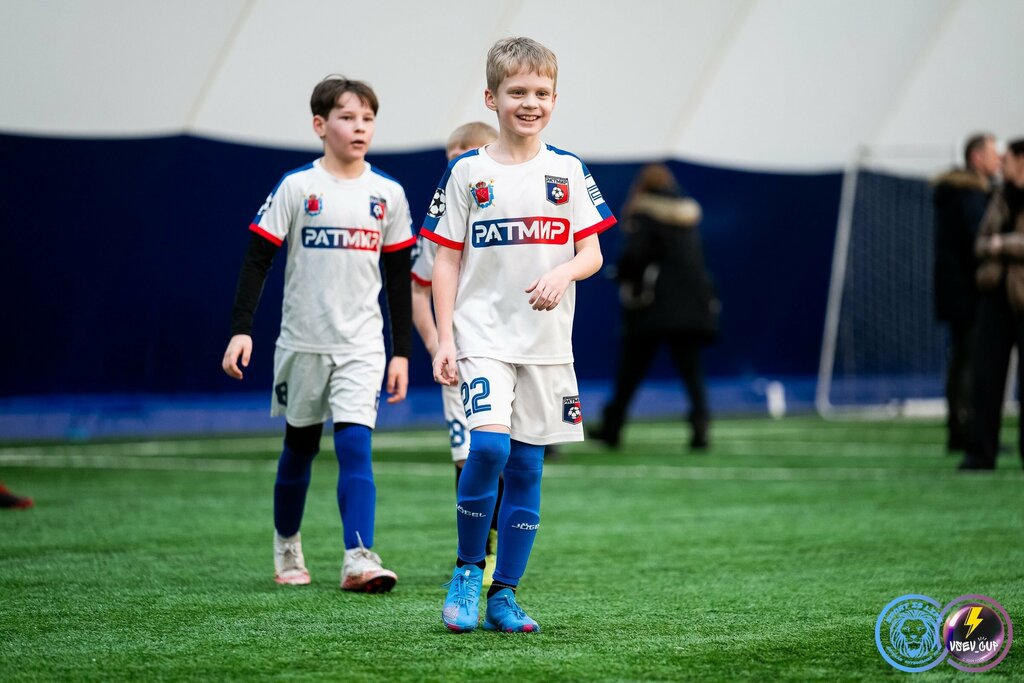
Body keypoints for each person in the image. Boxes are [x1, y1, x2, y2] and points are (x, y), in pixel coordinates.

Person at [421, 37, 615, 633]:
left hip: (547, 345)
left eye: (541, 93)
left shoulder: (568, 170)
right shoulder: (468, 172)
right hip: (482, 337)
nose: (530, 103)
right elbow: (445, 259)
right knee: (488, 450)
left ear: (554, 98)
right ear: (492, 98)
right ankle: (467, 570)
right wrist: (446, 339)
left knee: (528, 468)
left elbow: (592, 254)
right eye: (517, 92)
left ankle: (504, 595)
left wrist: (562, 272)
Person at [221, 75, 415, 591]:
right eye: (348, 117)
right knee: (300, 447)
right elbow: (256, 261)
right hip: (302, 344)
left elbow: (399, 280)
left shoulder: (388, 194)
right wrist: (241, 330)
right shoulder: (296, 187)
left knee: (355, 447)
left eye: (368, 118)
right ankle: (287, 545)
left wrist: (401, 353)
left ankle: (359, 557)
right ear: (320, 125)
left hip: (362, 347)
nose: (360, 127)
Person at [411, 121, 503, 586]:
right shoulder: (440, 220)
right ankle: (476, 552)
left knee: (510, 455)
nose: (455, 165)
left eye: (463, 154)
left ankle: (500, 545)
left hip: (512, 349)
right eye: (450, 156)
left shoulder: (512, 205)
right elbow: (418, 289)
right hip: (463, 354)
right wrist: (436, 342)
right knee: (468, 455)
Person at [589, 164, 718, 451]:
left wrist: (621, 274)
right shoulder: (687, 215)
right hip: (691, 303)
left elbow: (635, 256)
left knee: (631, 369)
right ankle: (701, 427)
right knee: (691, 371)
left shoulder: (644, 213)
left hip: (652, 304)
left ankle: (612, 428)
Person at [933, 133, 1001, 451]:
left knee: (964, 358)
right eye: (993, 153)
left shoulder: (959, 193)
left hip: (959, 291)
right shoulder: (969, 196)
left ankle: (962, 428)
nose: (998, 159)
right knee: (971, 360)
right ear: (976, 157)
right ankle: (968, 431)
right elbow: (978, 242)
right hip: (969, 293)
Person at [959, 138, 1024, 471]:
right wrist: (998, 245)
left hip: (1022, 296)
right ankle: (981, 451)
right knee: (985, 375)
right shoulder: (999, 196)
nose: (1001, 163)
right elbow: (981, 242)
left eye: (1007, 158)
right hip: (995, 295)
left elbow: (997, 243)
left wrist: (1002, 244)